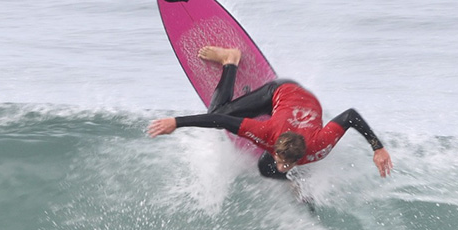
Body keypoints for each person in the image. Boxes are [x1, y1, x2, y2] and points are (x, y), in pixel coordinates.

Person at [148, 46, 393, 179]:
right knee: (219, 109)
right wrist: (176, 122)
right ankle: (230, 59)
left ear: (301, 154)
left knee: (267, 169)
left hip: (300, 105)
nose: (284, 166)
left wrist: (376, 147)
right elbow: (218, 119)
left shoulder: (319, 145)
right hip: (280, 91)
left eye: (287, 164)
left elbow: (351, 116)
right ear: (275, 146)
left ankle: (296, 188)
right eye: (282, 161)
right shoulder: (266, 131)